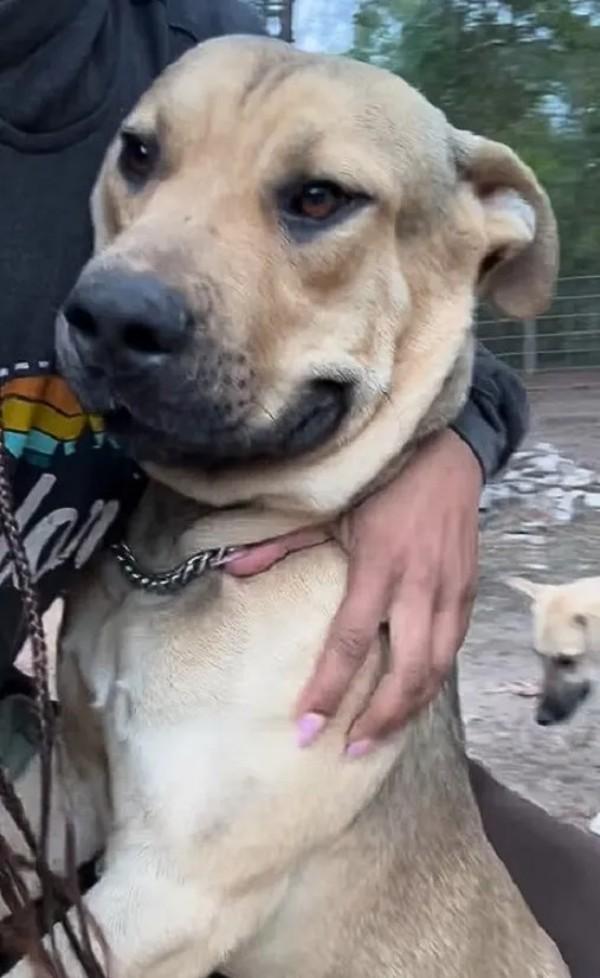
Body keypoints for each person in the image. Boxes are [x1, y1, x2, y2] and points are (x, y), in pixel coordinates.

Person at [0, 3, 598, 976]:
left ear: (491, 227)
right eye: (144, 164)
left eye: (313, 200)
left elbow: (167, 911)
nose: (126, 284)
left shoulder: (197, 48)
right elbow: (83, 784)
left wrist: (452, 448)